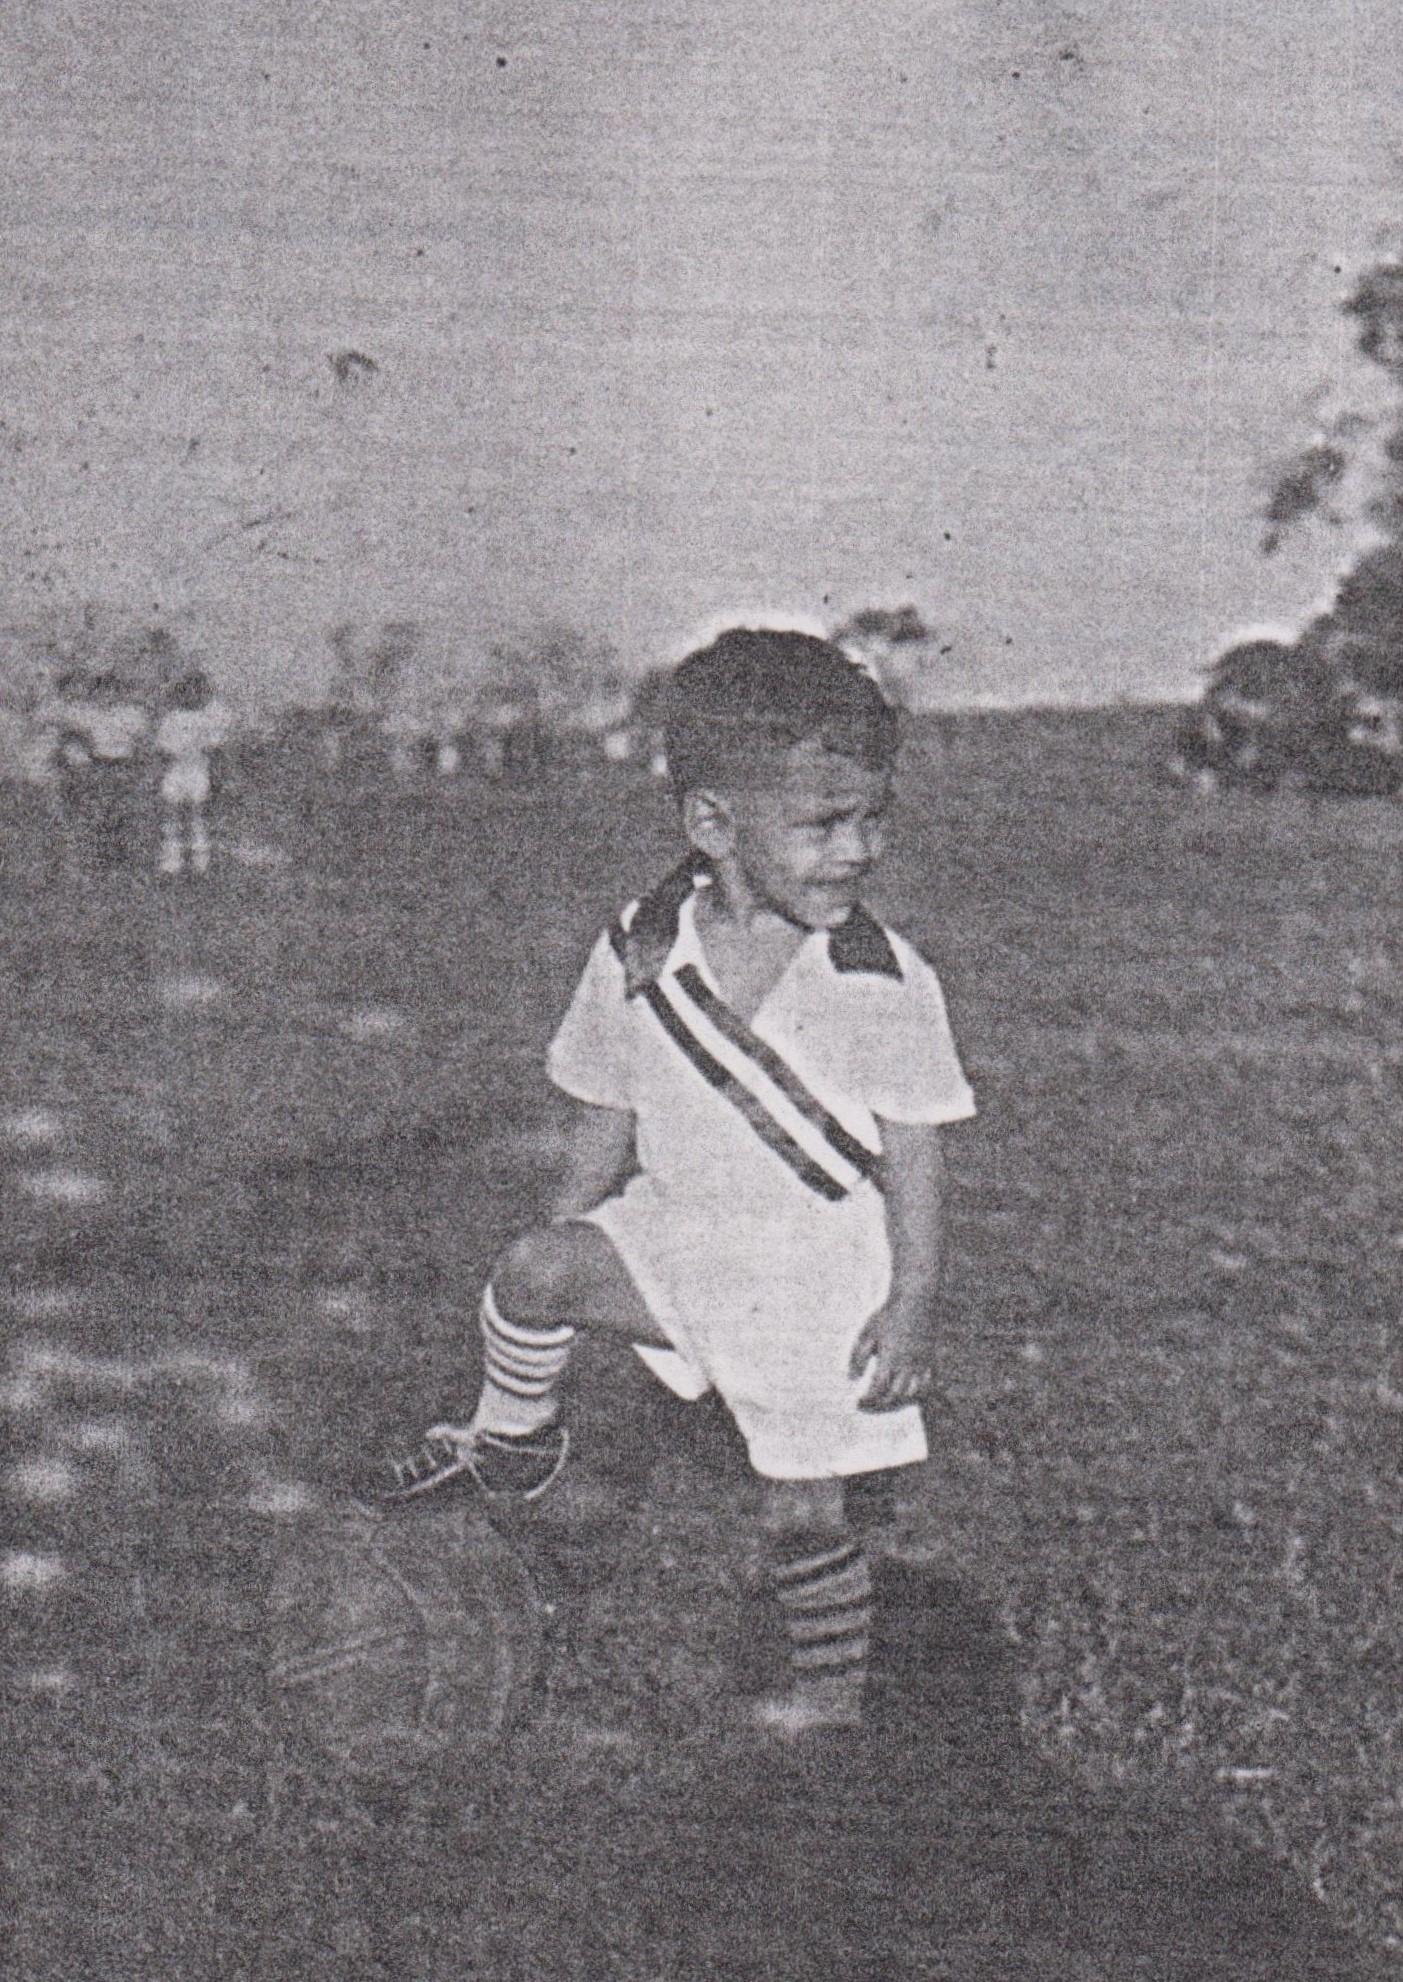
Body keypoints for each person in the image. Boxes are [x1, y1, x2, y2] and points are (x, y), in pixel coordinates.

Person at [378, 629, 977, 1736]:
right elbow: (604, 1106)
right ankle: (512, 1436)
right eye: (821, 824)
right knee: (533, 1268)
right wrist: (567, 1235)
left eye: (871, 818)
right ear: (712, 823)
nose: (855, 850)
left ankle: (830, 1710)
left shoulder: (879, 977)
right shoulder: (641, 946)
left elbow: (916, 1149)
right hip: (682, 1237)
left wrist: (910, 1301)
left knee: (803, 1516)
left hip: (816, 1277)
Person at [154, 670, 232, 877]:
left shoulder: (207, 720)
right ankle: (171, 862)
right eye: (188, 690)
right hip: (176, 770)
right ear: (181, 693)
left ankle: (201, 862)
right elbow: (163, 748)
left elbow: (214, 747)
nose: (193, 695)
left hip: (198, 770)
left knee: (198, 816)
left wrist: (205, 752)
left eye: (198, 691)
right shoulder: (171, 718)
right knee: (172, 816)